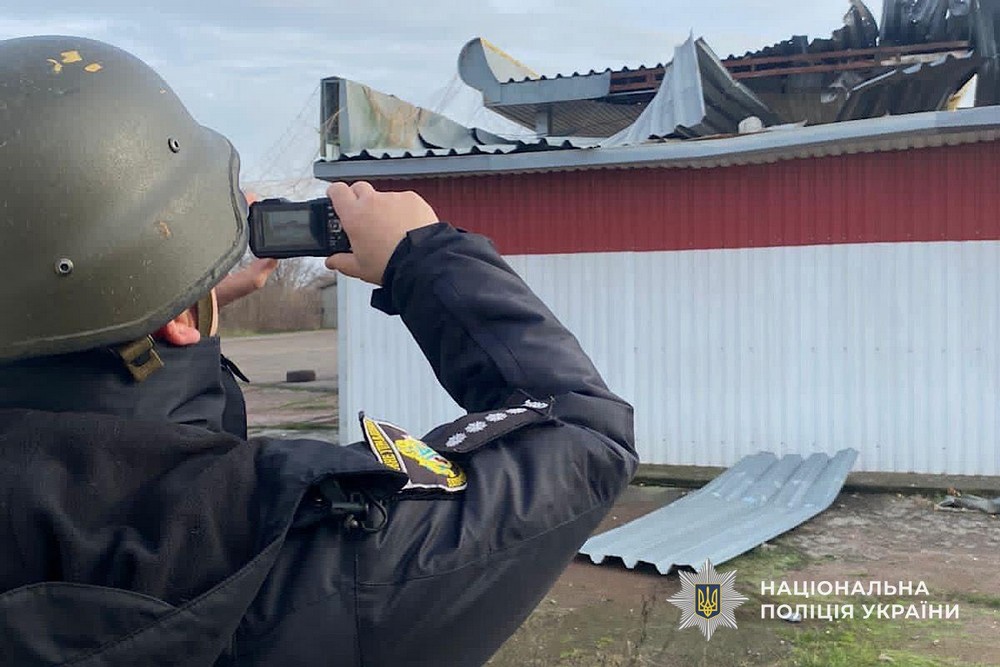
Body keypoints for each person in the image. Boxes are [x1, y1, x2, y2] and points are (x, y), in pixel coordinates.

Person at [0, 35, 637, 666]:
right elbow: (586, 432)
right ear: (179, 321)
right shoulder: (309, 551)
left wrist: (174, 317)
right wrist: (428, 258)